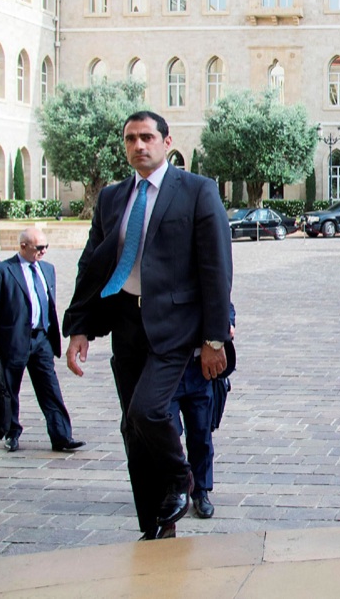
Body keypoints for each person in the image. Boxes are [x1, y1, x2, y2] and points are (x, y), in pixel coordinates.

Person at [63, 110, 233, 542]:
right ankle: (156, 528)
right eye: (130, 139)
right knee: (132, 429)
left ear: (166, 141)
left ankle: (182, 477)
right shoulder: (112, 198)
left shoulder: (197, 191)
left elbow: (216, 268)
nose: (139, 146)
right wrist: (80, 327)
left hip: (178, 326)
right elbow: (92, 265)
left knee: (148, 411)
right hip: (128, 325)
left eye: (147, 137)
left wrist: (215, 337)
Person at [0, 227, 84, 454]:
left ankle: (61, 436)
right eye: (39, 248)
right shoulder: (3, 270)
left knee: (50, 389)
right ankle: (12, 433)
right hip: (14, 340)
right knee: (10, 390)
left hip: (41, 339)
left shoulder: (47, 269)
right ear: (23, 247)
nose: (43, 252)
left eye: (46, 247)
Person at [168, 304, 235, 520]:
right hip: (168, 366)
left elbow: (225, 304)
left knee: (201, 433)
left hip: (200, 367)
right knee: (167, 433)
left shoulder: (205, 277)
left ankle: (201, 491)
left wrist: (229, 324)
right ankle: (177, 485)